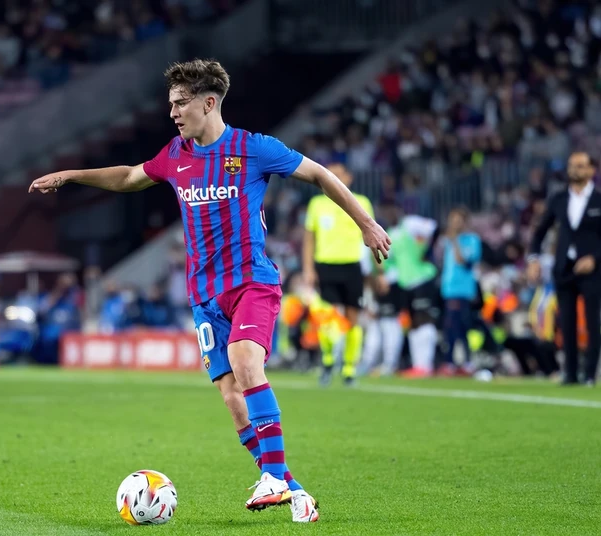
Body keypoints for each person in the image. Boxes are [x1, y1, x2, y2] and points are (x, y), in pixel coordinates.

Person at [29, 58, 391, 523]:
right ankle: (293, 489)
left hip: (251, 283)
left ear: (209, 102)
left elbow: (321, 174)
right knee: (232, 399)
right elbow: (129, 177)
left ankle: (273, 477)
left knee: (245, 361)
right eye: (171, 104)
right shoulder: (175, 154)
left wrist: (366, 224)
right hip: (204, 296)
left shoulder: (254, 149)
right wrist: (71, 175)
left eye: (181, 103)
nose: (173, 113)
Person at [529, 151, 601, 386]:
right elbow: (540, 231)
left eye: (580, 166)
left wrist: (594, 258)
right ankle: (570, 373)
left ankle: (589, 374)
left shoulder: (598, 200)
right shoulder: (559, 198)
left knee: (592, 322)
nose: (574, 170)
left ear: (591, 170)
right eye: (572, 165)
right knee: (565, 322)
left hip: (592, 271)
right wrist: (533, 259)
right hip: (564, 268)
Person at [302, 163, 374, 386]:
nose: (335, 178)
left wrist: (377, 271)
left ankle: (349, 369)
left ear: (349, 178)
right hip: (326, 265)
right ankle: (328, 361)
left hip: (352, 265)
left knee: (353, 318)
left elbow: (370, 233)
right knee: (327, 317)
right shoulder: (317, 204)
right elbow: (309, 238)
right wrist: (308, 268)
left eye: (340, 174)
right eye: (330, 174)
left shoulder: (361, 202)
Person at [377, 214, 440, 378]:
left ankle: (426, 364)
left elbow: (433, 227)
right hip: (406, 283)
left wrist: (426, 250)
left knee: (424, 319)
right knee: (413, 323)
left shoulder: (410, 223)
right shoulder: (390, 234)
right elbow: (389, 261)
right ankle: (419, 365)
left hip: (422, 278)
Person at [440, 207, 482, 375]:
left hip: (463, 290)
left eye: (457, 221)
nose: (454, 224)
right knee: (450, 327)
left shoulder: (472, 240)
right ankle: (451, 362)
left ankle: (466, 362)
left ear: (465, 222)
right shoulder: (447, 241)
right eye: (452, 221)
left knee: (462, 327)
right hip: (448, 290)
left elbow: (462, 260)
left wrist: (455, 241)